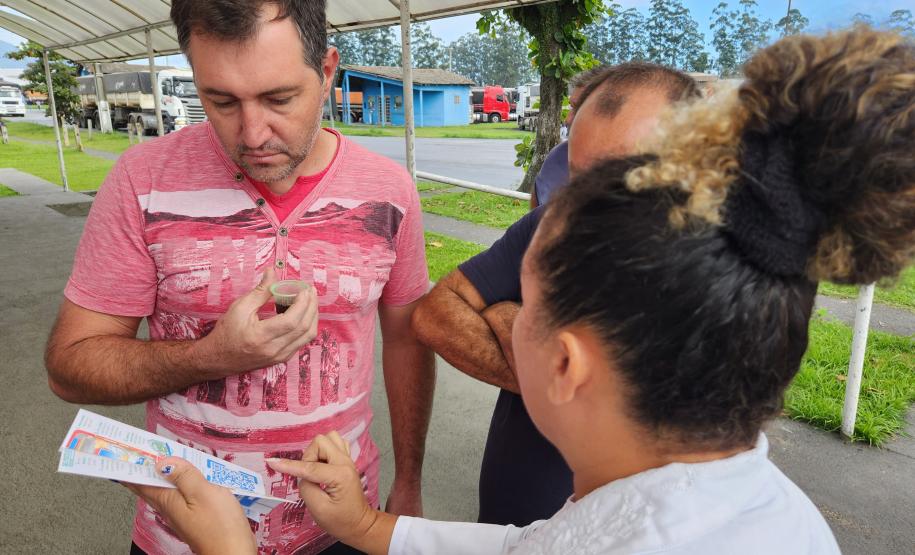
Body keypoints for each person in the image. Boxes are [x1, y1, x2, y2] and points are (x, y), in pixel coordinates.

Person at [129, 26, 915, 554]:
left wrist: (229, 550)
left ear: (567, 364)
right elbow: (526, 544)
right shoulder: (737, 509)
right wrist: (369, 524)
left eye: (525, 310)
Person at [45, 1, 435, 554]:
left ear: (326, 72)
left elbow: (406, 339)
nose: (253, 134)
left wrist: (410, 482)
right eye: (220, 101)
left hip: (344, 525)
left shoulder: (390, 192)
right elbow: (70, 367)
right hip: (180, 540)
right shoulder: (141, 181)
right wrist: (213, 356)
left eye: (279, 99)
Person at [412, 63, 700, 527]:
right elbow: (434, 314)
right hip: (511, 517)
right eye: (577, 180)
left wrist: (513, 321)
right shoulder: (553, 223)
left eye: (620, 186)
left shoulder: (728, 282)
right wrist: (541, 370)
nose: (583, 215)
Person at [529, 65, 607, 209]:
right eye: (572, 107)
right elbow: (533, 218)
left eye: (579, 108)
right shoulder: (557, 157)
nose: (568, 120)